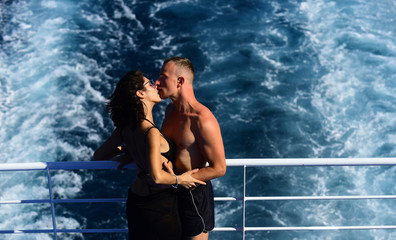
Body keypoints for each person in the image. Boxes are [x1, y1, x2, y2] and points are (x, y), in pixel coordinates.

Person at [93, 70, 205, 240]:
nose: (155, 86)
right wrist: (181, 179)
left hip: (137, 201)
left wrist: (127, 150)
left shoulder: (126, 127)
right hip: (158, 205)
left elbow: (99, 155)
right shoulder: (151, 132)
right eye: (150, 84)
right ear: (140, 94)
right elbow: (157, 177)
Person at [155, 57, 227, 240]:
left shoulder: (202, 119)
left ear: (180, 81)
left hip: (193, 195)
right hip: (168, 191)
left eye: (163, 77)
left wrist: (179, 180)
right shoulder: (170, 111)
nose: (156, 82)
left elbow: (219, 168)